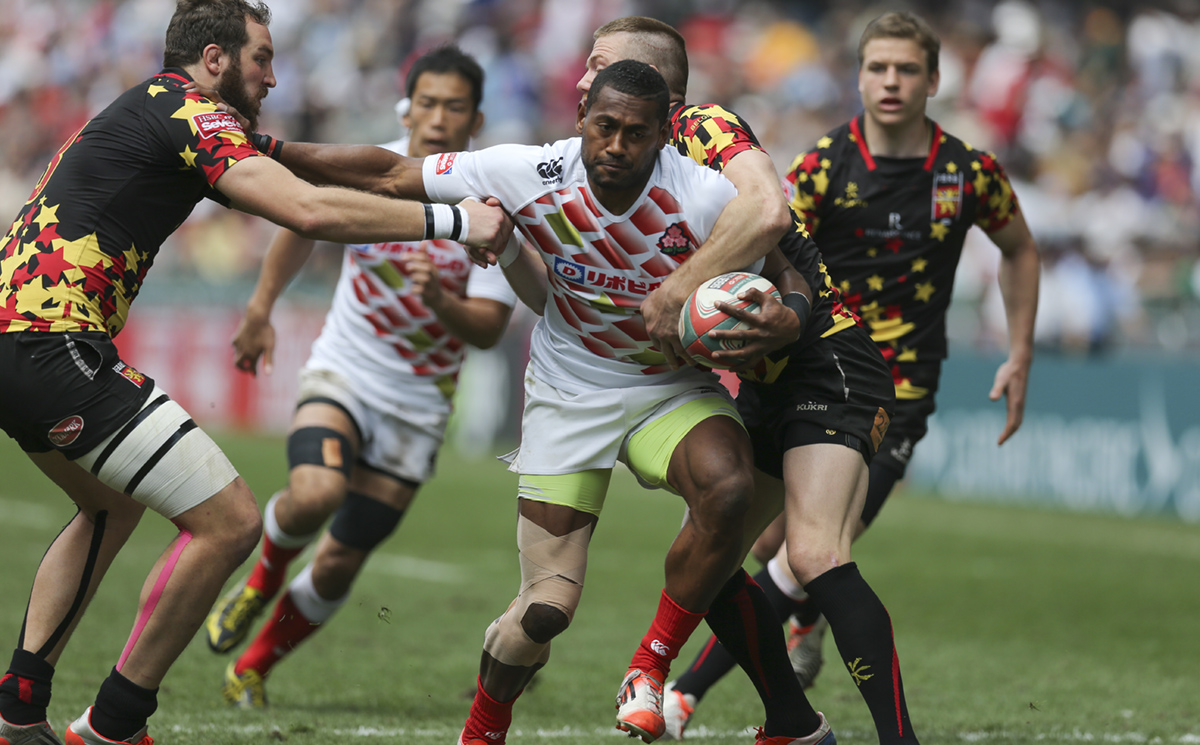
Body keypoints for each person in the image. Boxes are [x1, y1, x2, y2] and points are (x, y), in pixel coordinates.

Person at [0, 2, 510, 744]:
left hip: (19, 342)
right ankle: (115, 723)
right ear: (214, 59)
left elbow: (321, 162)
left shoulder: (160, 108)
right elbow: (304, 209)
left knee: (109, 507)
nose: (273, 78)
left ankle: (19, 704)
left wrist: (427, 178)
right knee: (230, 521)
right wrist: (457, 221)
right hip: (55, 344)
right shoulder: (194, 115)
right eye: (261, 59)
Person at [665, 10, 1039, 739]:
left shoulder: (968, 173)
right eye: (877, 68)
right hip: (815, 364)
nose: (891, 82)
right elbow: (773, 252)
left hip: (895, 394)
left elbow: (1019, 248)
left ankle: (687, 693)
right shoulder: (825, 166)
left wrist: (1019, 349)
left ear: (933, 80)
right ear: (860, 76)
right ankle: (784, 648)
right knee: (777, 549)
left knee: (804, 554)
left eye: (906, 69)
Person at [578, 17, 924, 745]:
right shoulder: (620, 162)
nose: (582, 79)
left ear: (652, 88)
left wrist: (681, 293)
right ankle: (795, 725)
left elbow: (770, 216)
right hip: (767, 376)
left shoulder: (703, 126)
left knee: (815, 552)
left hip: (829, 358)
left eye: (599, 64)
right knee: (707, 549)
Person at [199, 45, 518, 709]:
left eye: (453, 106)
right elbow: (302, 224)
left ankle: (253, 666)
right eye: (426, 102)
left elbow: (487, 327)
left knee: (343, 558)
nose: (436, 117)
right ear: (407, 107)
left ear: (476, 119)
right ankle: (263, 578)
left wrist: (441, 304)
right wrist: (259, 309)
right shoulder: (369, 169)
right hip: (343, 369)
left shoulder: (494, 201)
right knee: (314, 493)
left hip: (420, 405)